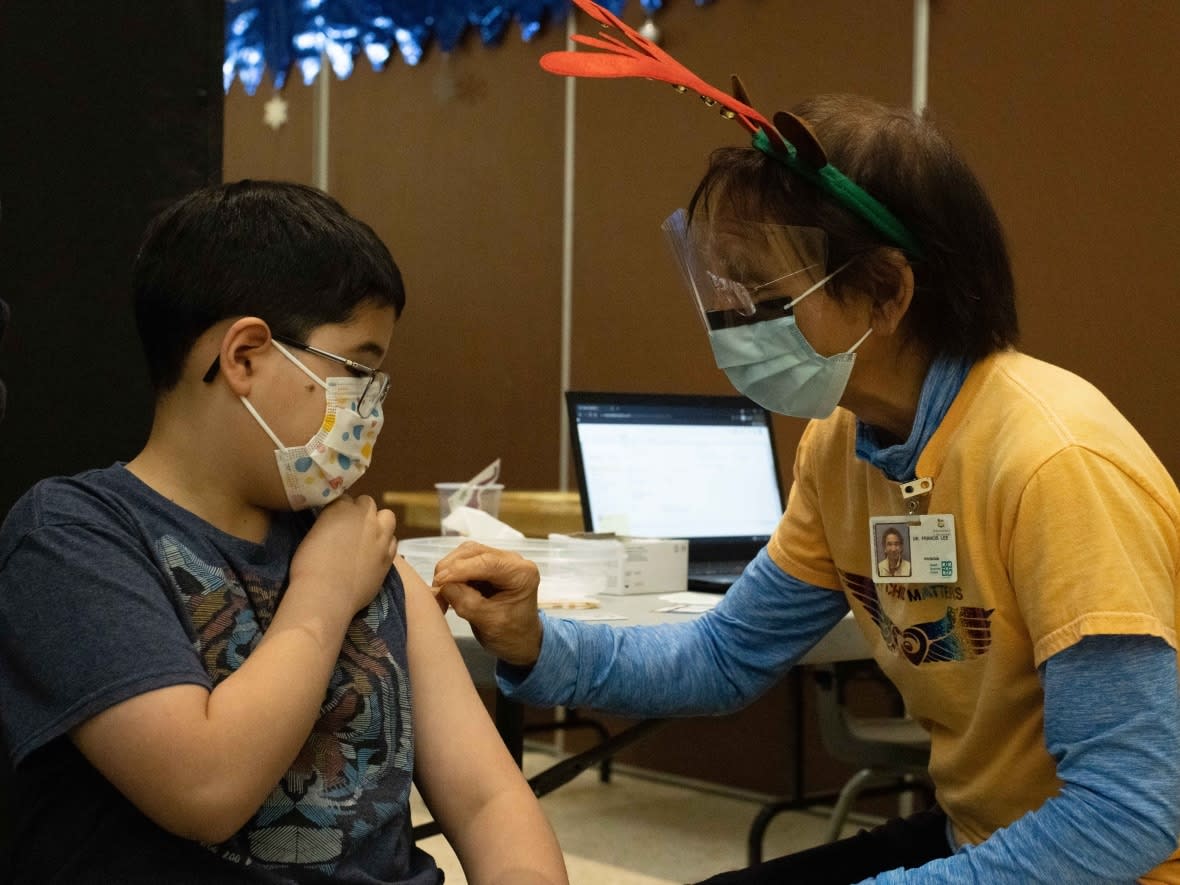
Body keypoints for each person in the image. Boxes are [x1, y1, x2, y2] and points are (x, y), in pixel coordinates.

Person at [431, 88, 1180, 885]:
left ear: (889, 291)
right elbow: (725, 655)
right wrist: (537, 640)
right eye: (734, 297)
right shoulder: (839, 447)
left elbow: (1129, 810)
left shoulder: (1054, 463)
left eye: (770, 300)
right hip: (989, 837)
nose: (741, 327)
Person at [0, 180, 568, 885]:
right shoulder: (72, 537)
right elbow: (204, 788)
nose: (370, 406)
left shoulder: (350, 540)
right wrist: (324, 595)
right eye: (359, 369)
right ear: (243, 356)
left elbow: (489, 802)